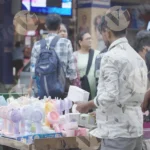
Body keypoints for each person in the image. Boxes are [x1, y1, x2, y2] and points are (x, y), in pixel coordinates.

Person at [76, 7, 148, 150]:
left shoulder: (110, 57)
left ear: (107, 32)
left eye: (102, 34)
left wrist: (87, 105)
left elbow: (109, 95)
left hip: (117, 133)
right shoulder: (137, 57)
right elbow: (131, 94)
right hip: (136, 130)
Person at [29, 14, 77, 97]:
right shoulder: (66, 43)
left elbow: (33, 72)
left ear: (46, 26)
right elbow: (72, 71)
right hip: (61, 92)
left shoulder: (37, 45)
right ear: (59, 27)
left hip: (42, 93)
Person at [73, 31, 99, 99]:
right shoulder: (74, 56)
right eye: (87, 39)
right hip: (81, 90)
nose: (90, 40)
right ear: (80, 42)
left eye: (90, 38)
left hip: (96, 91)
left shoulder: (97, 54)